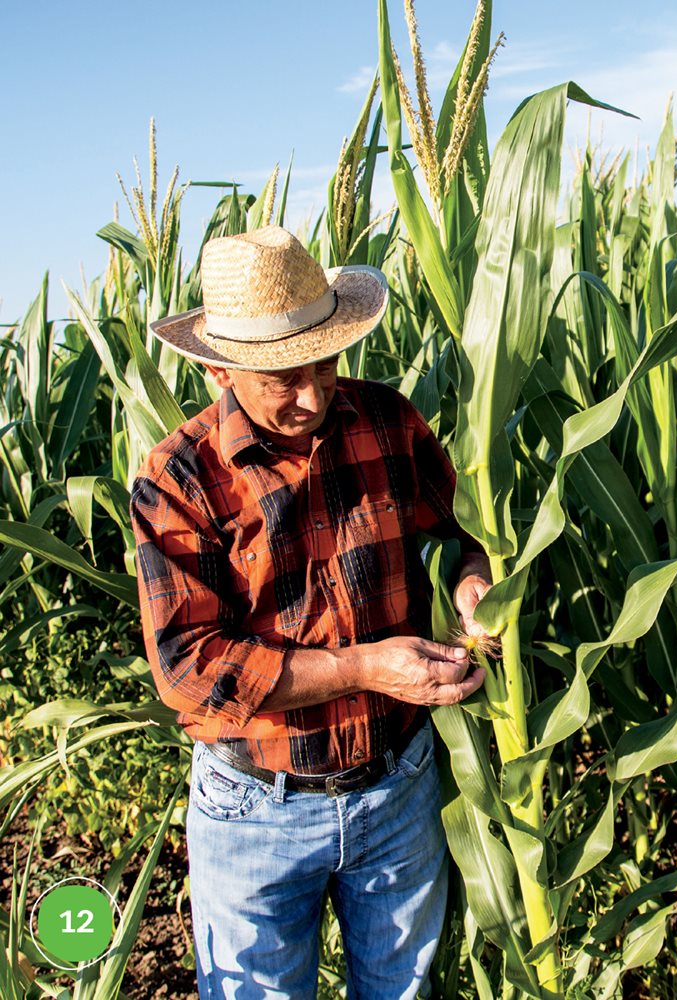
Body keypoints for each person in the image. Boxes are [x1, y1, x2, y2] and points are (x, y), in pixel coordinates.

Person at [130, 225, 491, 999]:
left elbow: (458, 536)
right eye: (282, 379)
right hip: (256, 805)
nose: (313, 394)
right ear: (224, 372)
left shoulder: (388, 422)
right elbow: (190, 672)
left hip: (399, 786)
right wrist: (363, 667)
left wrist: (472, 584)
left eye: (326, 363)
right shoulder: (180, 479)